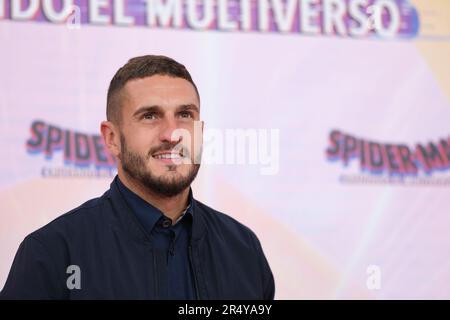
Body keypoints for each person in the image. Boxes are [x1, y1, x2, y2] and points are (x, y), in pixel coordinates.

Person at [0, 55, 275, 300]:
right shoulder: (53, 253)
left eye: (185, 114)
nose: (172, 133)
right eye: (150, 116)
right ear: (112, 138)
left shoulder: (243, 249)